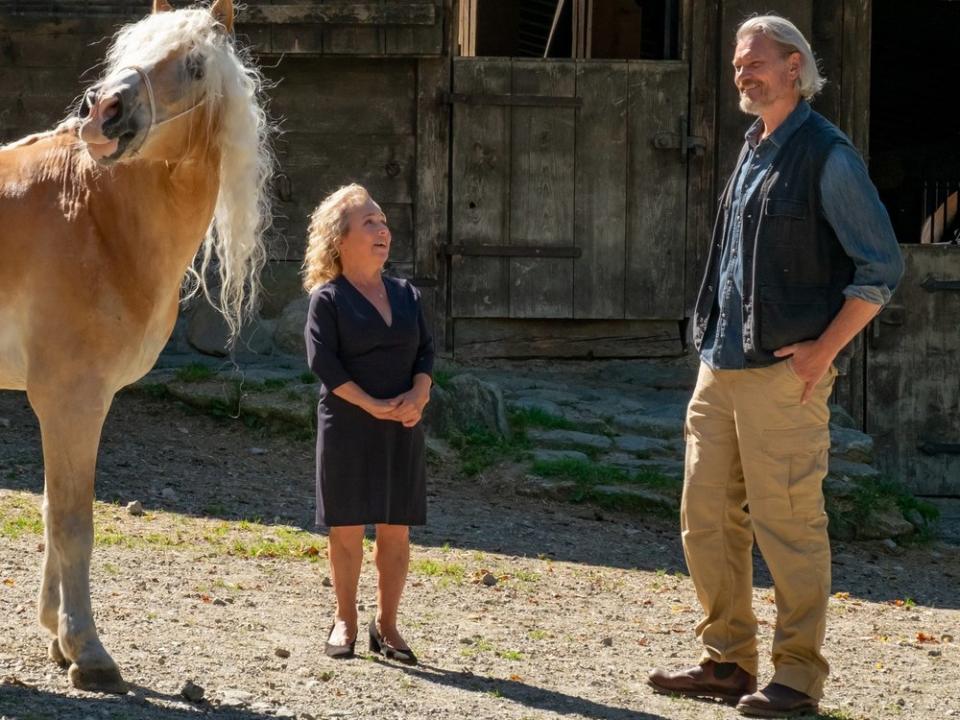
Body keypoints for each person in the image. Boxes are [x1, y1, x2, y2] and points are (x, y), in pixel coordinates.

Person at [647, 15, 903, 718]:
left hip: (782, 376)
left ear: (796, 67)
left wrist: (823, 352)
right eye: (736, 65)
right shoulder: (753, 144)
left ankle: (797, 678)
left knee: (789, 527)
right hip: (721, 364)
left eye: (755, 63)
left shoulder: (828, 155)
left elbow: (882, 266)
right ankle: (728, 661)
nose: (742, 74)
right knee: (705, 519)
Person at [302, 183, 434, 665]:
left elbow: (426, 352)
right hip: (347, 424)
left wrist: (419, 394)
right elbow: (325, 364)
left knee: (396, 531)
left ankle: (389, 627)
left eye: (383, 222)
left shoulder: (407, 294)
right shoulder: (328, 299)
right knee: (347, 529)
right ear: (341, 239)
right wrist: (372, 405)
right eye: (370, 223)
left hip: (403, 423)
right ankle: (345, 621)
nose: (383, 230)